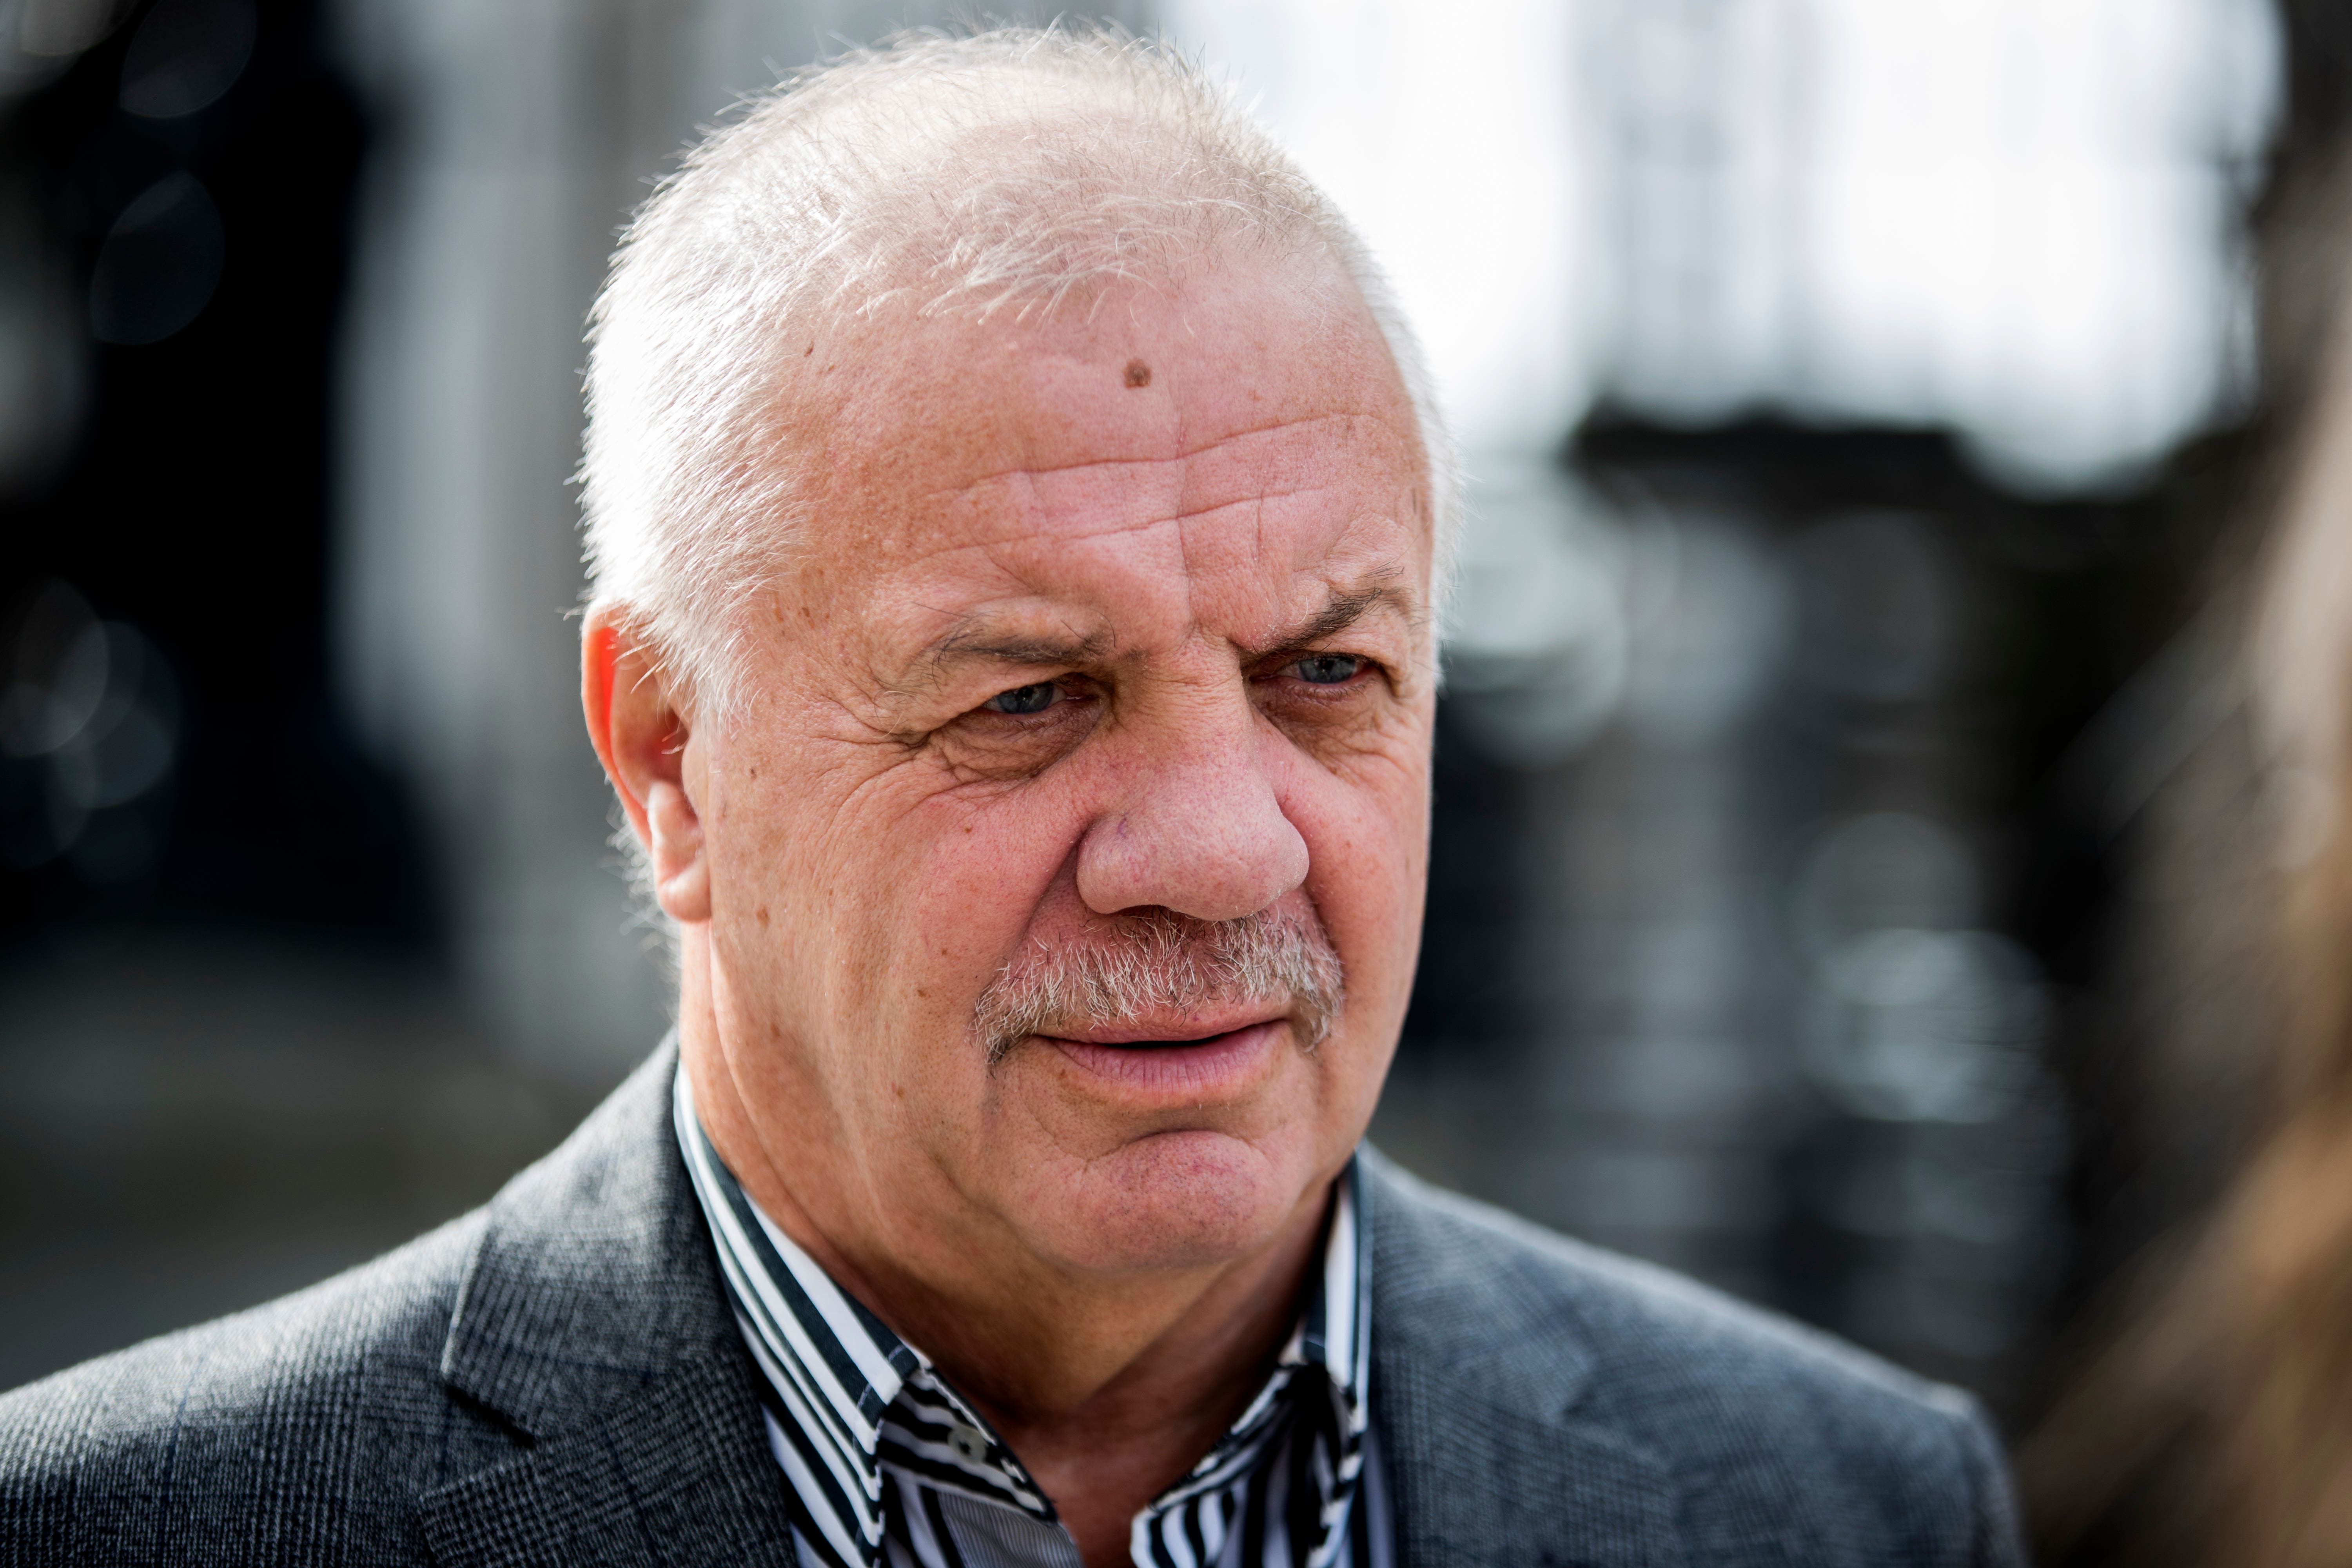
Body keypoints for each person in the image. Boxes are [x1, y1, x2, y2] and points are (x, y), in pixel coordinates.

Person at [0, 29, 2024, 1567]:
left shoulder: (1842, 1507)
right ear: (670, 763)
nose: (1224, 850)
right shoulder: (127, 1531)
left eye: (1328, 676)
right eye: (1032, 698)